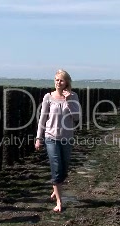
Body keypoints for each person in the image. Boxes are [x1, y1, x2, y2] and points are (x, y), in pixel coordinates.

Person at [35, 69, 80, 212]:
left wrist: (69, 101)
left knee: (64, 169)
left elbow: (77, 118)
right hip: (51, 137)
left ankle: (56, 188)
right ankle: (60, 201)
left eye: (61, 80)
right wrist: (38, 137)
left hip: (66, 138)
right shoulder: (48, 97)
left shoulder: (73, 96)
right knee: (56, 167)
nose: (58, 82)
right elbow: (42, 119)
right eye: (56, 79)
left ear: (66, 82)